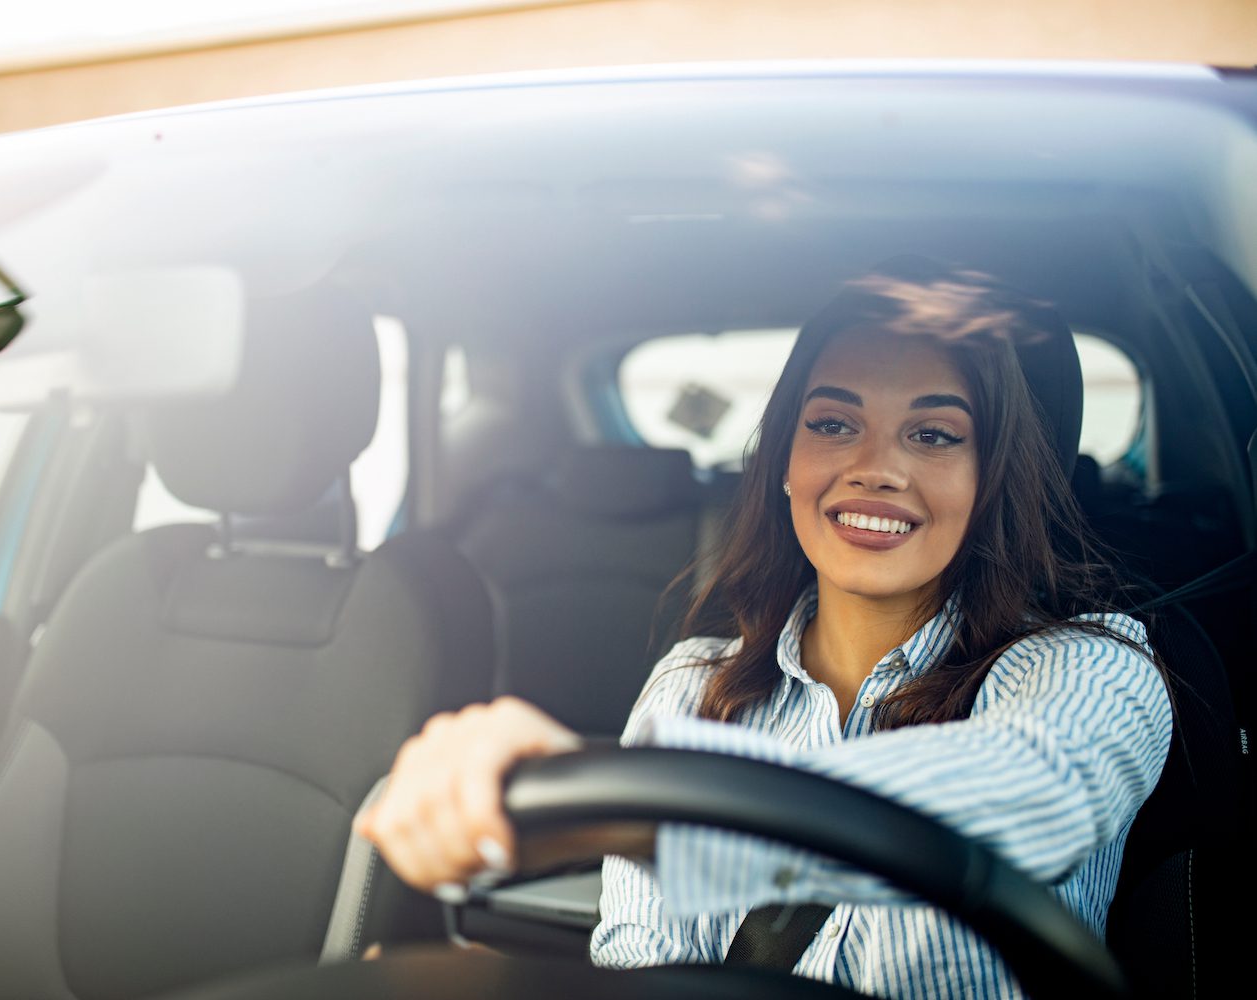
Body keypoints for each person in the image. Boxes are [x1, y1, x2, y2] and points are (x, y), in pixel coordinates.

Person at [354, 257, 1172, 998]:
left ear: (991, 476)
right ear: (784, 461)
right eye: (832, 423)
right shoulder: (692, 684)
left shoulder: (1092, 667)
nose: (875, 468)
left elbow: (1036, 796)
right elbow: (642, 967)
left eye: (933, 435)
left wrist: (643, 814)